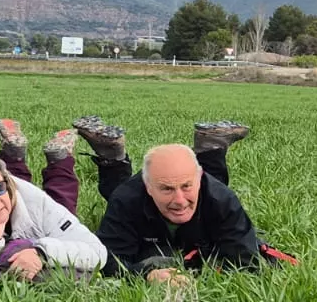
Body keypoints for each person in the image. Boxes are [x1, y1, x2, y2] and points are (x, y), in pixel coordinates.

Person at [87, 120, 297, 281]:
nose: (179, 200)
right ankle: (113, 159)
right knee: (121, 198)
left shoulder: (222, 198)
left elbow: (246, 263)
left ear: (199, 180)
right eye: (167, 189)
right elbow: (107, 261)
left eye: (186, 186)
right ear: (148, 188)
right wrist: (146, 275)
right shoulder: (126, 199)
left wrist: (200, 267)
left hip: (204, 206)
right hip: (137, 206)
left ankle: (211, 148)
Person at [0, 129, 106, 280]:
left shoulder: (37, 203)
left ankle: (60, 160)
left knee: (62, 199)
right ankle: (15, 153)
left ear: (7, 183)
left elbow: (97, 252)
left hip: (38, 216)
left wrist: (41, 252)